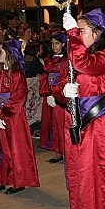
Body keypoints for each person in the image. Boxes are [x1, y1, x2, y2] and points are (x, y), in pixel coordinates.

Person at [56, 8, 105, 209]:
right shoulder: (75, 55)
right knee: (77, 176)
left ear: (96, 33)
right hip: (75, 124)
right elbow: (65, 78)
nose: (76, 34)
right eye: (78, 31)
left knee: (102, 177)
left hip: (100, 125)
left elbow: (84, 64)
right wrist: (64, 90)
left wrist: (72, 33)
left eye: (82, 31)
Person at [0, 39, 40, 195]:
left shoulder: (17, 75)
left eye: (0, 51)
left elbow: (17, 98)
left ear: (9, 54)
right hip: (0, 117)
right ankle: (2, 179)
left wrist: (2, 114)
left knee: (15, 149)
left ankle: (18, 181)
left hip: (13, 118)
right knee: (1, 149)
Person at [38, 32, 68, 163]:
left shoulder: (66, 61)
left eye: (57, 43)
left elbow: (64, 79)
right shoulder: (48, 60)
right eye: (52, 44)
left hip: (60, 97)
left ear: (63, 44)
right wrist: (46, 93)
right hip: (49, 95)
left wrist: (56, 95)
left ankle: (66, 151)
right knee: (51, 124)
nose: (54, 46)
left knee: (61, 124)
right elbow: (44, 78)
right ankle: (57, 151)